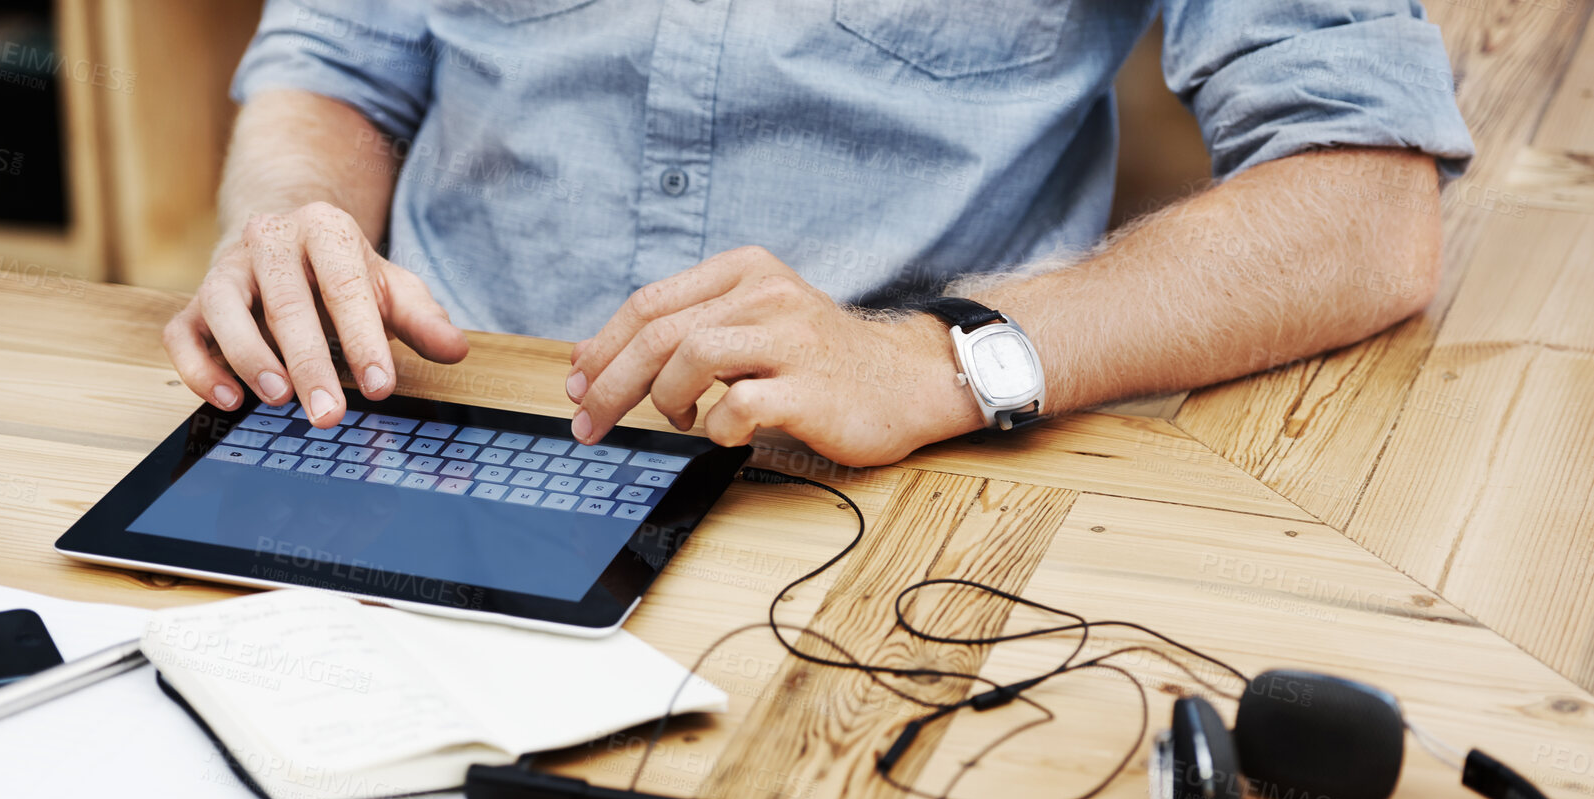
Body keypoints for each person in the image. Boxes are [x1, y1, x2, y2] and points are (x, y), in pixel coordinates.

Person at [164, 0, 1473, 468]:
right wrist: (295, 222)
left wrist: (938, 361)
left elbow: (1362, 205)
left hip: (874, 479)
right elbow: (341, 57)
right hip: (419, 422)